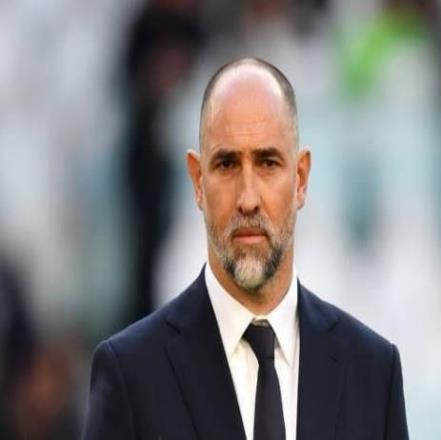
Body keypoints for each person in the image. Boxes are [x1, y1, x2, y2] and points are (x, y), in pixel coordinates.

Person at [83, 57, 409, 440]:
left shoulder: (373, 372)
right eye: (227, 165)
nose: (248, 199)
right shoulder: (132, 375)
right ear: (198, 181)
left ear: (301, 178)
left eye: (268, 163)